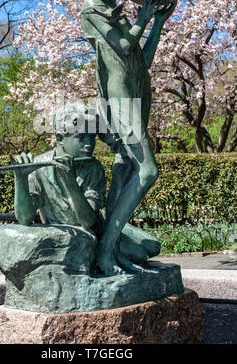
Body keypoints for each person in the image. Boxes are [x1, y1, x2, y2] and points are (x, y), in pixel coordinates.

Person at [80, 0, 176, 275]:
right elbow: (121, 45)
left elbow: (140, 59)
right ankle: (106, 250)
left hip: (138, 95)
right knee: (148, 171)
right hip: (120, 106)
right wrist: (144, 17)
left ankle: (112, 252)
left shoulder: (117, 12)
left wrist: (158, 23)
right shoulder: (92, 9)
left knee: (124, 170)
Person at [10, 101, 160, 272]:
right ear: (60, 139)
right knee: (140, 254)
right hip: (81, 237)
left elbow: (88, 220)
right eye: (81, 138)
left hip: (100, 228)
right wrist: (20, 179)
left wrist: (69, 181)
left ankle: (117, 236)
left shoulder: (93, 167)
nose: (89, 144)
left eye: (92, 137)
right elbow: (24, 218)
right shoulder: (39, 166)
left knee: (153, 246)